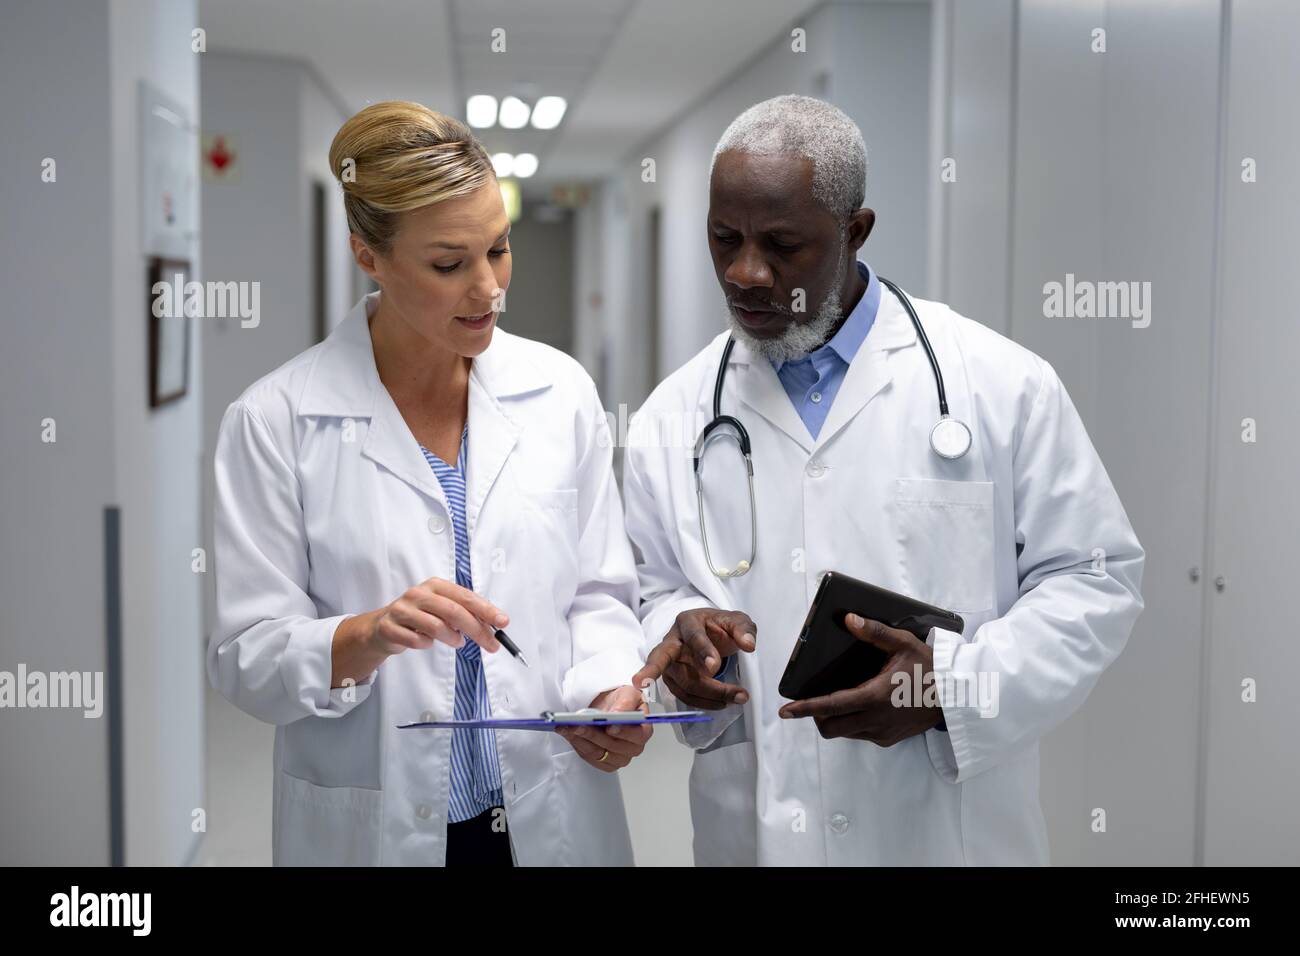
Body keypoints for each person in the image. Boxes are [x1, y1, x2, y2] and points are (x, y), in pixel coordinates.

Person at [626, 95, 1145, 865]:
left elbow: (1095, 580)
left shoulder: (1000, 385)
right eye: (723, 237)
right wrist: (681, 644)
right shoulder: (674, 416)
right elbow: (648, 590)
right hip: (761, 834)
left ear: (855, 231)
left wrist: (951, 689)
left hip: (946, 835)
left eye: (782, 244)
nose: (745, 272)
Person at [209, 101, 650, 866]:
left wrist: (609, 688)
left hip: (548, 809)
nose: (489, 289)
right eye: (449, 265)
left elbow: (597, 594)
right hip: (377, 829)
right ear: (368, 255)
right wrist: (365, 636)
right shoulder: (275, 421)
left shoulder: (560, 391)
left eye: (499, 251)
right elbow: (247, 659)